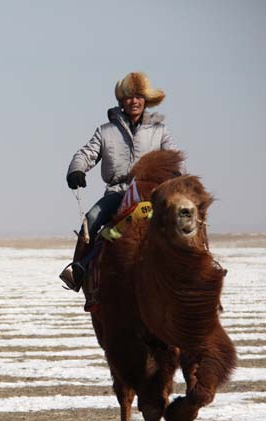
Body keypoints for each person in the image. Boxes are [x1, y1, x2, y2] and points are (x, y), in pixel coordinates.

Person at [59, 72, 181, 291]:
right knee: (92, 218)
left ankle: (193, 267)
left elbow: (175, 158)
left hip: (151, 195)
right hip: (118, 193)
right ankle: (79, 270)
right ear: (121, 101)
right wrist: (76, 170)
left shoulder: (159, 131)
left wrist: (178, 177)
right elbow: (86, 154)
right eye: (129, 97)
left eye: (138, 96)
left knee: (183, 218)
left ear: (145, 100)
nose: (134, 101)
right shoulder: (106, 132)